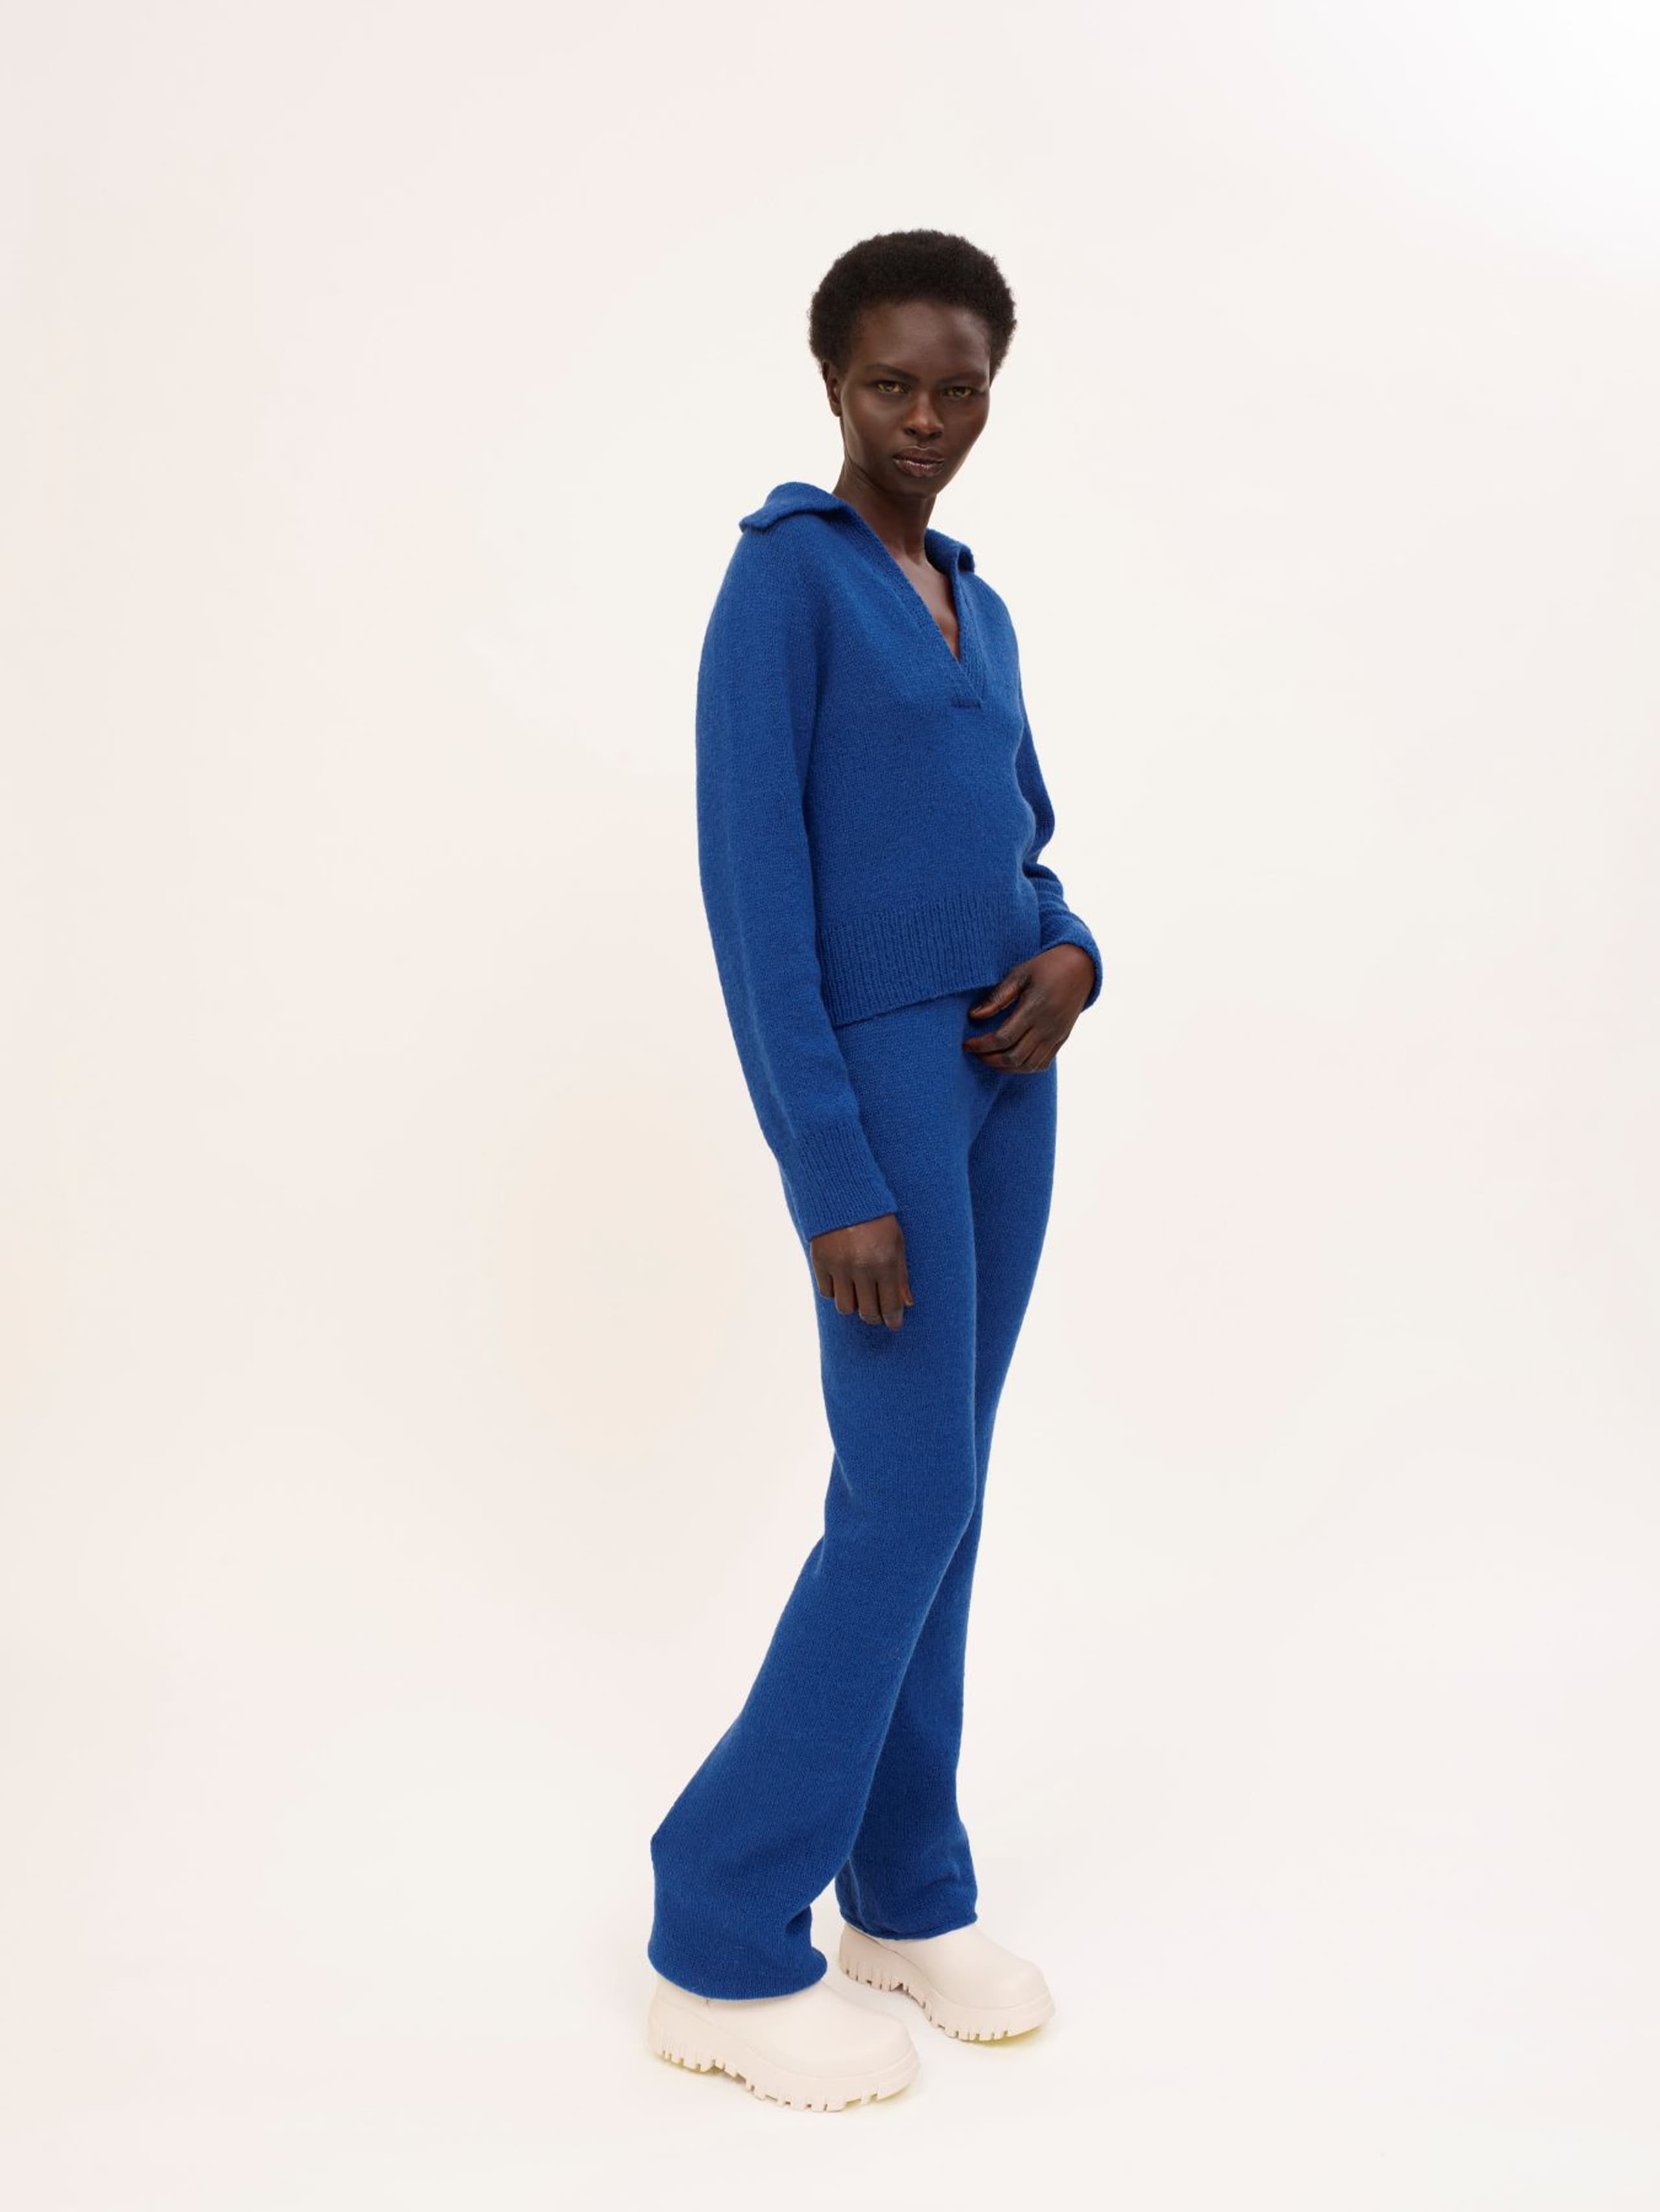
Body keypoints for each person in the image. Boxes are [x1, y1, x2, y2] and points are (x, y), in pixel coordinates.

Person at [646, 228, 1103, 2111]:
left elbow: (1024, 840)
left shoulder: (975, 601)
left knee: (949, 1495)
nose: (926, 417)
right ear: (832, 381)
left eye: (959, 388)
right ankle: (715, 1927)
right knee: (903, 1496)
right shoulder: (786, 584)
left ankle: (906, 1892)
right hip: (882, 1095)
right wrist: (830, 1168)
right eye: (891, 384)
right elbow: (756, 897)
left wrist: (1076, 952)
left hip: (1010, 1076)